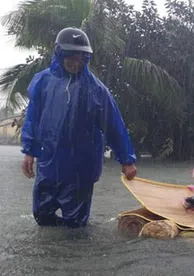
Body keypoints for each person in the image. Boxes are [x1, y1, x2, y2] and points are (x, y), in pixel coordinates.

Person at [20, 27, 137, 228]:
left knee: (75, 226)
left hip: (80, 169)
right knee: (42, 216)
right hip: (49, 164)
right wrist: (29, 151)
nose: (75, 62)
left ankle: (77, 256)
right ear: (59, 53)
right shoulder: (44, 81)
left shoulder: (96, 89)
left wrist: (126, 160)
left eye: (81, 57)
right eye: (70, 56)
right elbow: (33, 117)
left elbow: (114, 125)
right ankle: (53, 255)